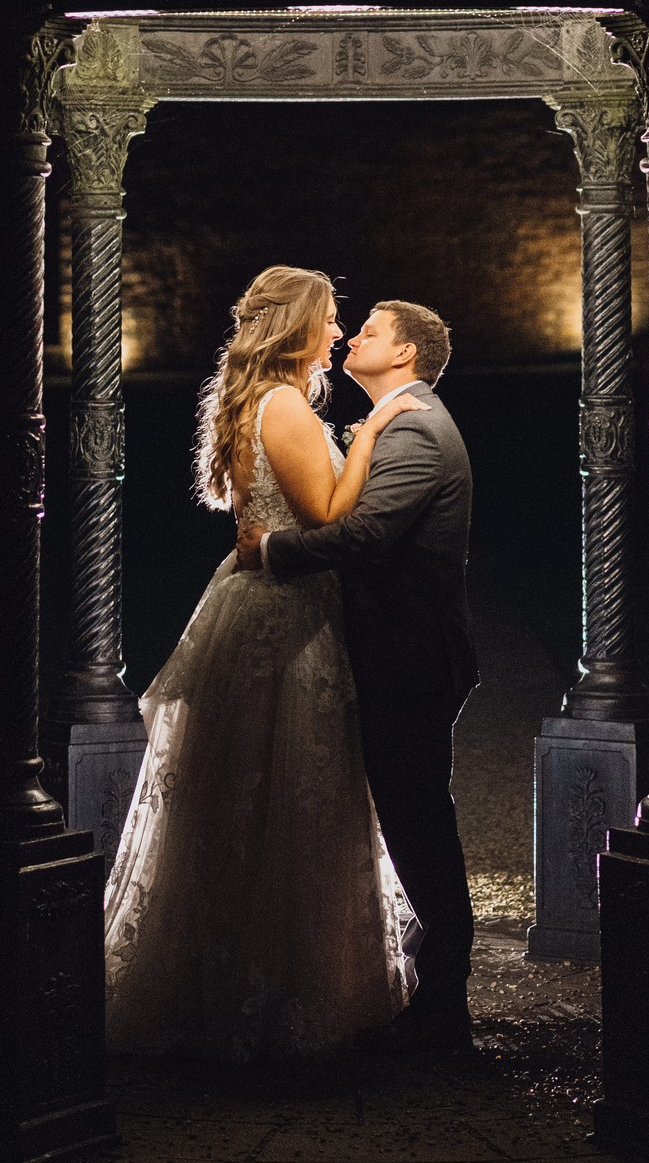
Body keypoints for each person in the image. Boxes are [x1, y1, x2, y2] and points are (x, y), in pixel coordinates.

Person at [102, 265, 429, 1061]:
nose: (337, 334)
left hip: (272, 599)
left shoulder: (269, 401)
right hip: (283, 618)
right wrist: (375, 436)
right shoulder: (283, 404)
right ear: (295, 329)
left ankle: (252, 984)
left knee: (255, 805)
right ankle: (275, 998)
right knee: (284, 800)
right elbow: (323, 513)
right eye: (327, 321)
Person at [236, 296, 479, 1052]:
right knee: (409, 820)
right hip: (393, 655)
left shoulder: (415, 426)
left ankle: (443, 1011)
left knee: (420, 826)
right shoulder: (398, 422)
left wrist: (270, 553)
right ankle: (427, 995)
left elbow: (368, 536)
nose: (350, 336)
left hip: (409, 660)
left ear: (405, 354)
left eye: (368, 330)